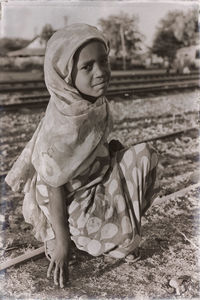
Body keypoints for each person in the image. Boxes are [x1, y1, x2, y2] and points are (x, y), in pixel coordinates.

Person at [5, 23, 159, 288]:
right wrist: (63, 245)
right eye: (87, 67)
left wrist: (114, 153)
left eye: (103, 62)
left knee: (147, 156)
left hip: (91, 180)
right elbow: (54, 187)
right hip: (68, 199)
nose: (100, 73)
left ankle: (113, 234)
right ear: (65, 76)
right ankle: (68, 237)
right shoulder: (64, 125)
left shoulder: (91, 103)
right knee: (112, 240)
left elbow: (93, 146)